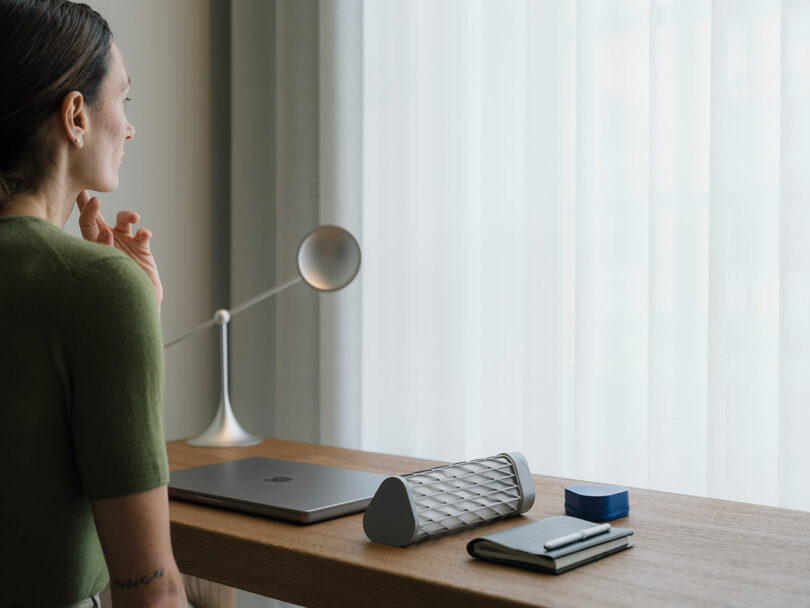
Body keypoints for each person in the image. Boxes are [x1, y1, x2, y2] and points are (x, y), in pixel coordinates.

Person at [0, 1, 187, 606]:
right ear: (75, 116)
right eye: (123, 101)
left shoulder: (95, 288)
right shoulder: (95, 288)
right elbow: (151, 594)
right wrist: (122, 299)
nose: (129, 127)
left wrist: (134, 311)